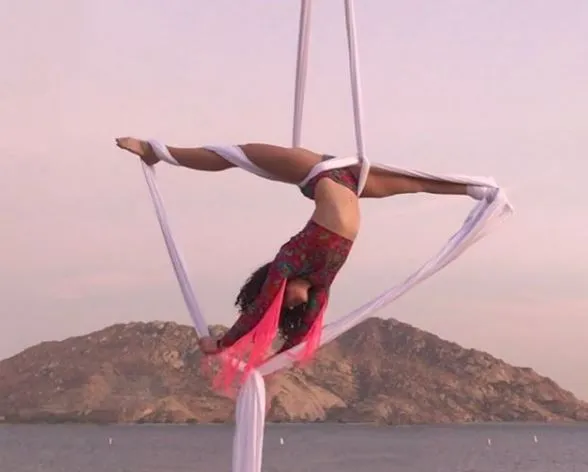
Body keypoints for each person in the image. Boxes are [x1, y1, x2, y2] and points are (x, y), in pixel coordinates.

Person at [116, 137, 493, 372]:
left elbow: (258, 311)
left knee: (234, 154)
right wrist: (275, 361)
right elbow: (299, 338)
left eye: (287, 306)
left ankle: (154, 150)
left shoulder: (287, 262)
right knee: (416, 184)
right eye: (294, 310)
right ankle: (481, 190)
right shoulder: (321, 286)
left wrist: (223, 343)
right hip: (350, 179)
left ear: (276, 286)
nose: (293, 306)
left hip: (314, 171)